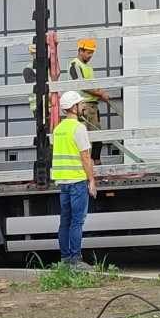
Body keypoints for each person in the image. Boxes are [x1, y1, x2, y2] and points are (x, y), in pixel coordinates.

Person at [52, 92, 98, 269]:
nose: (84, 106)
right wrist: (91, 181)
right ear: (73, 108)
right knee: (77, 222)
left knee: (65, 222)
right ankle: (76, 260)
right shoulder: (78, 128)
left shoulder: (58, 130)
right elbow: (85, 156)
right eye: (80, 104)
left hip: (63, 182)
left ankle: (65, 260)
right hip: (77, 182)